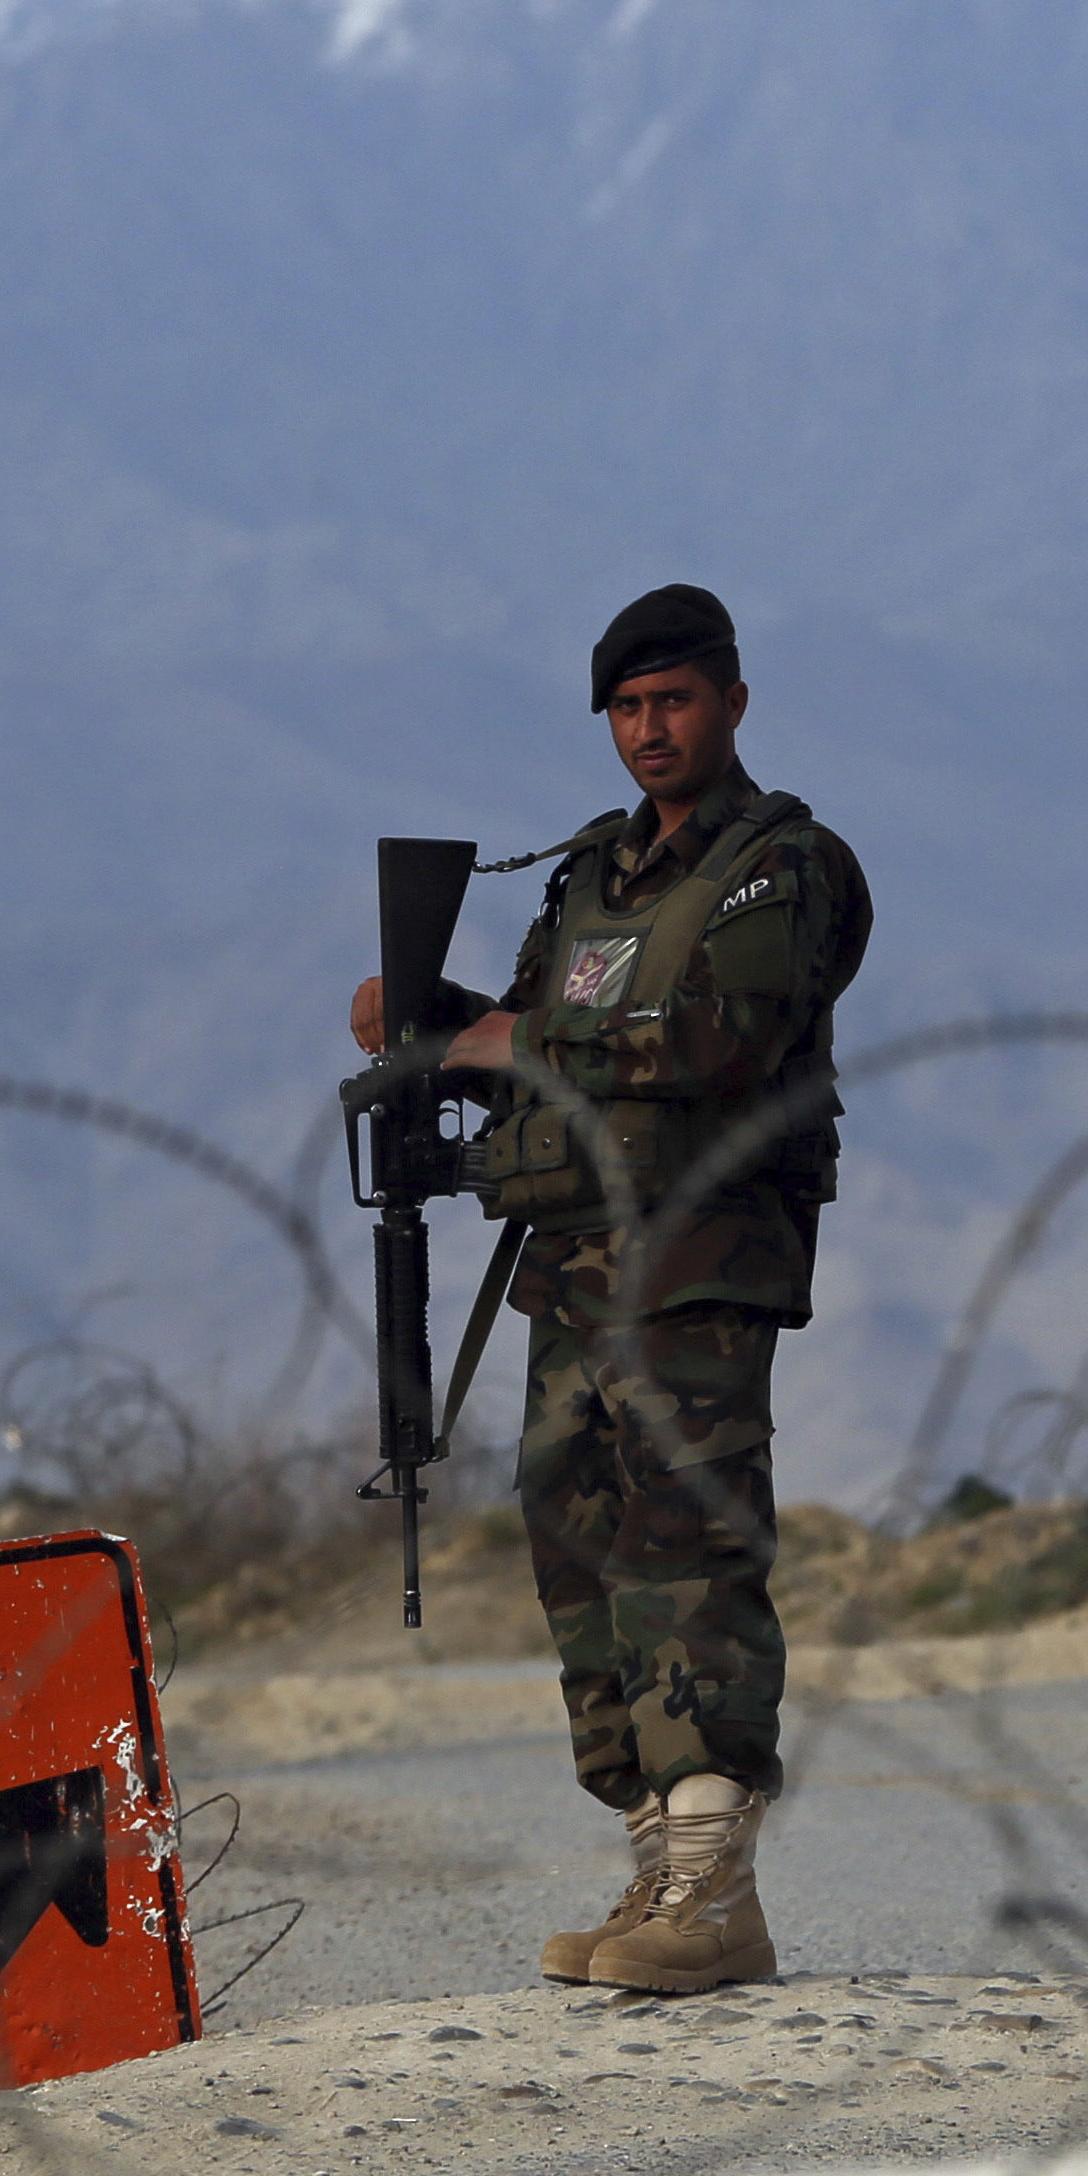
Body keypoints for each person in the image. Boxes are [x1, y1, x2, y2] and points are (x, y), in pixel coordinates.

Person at [345, 582, 871, 1997]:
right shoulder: (590, 876)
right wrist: (433, 1018)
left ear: (733, 703)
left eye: (676, 701)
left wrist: (519, 1033)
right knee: (577, 1545)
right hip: (573, 1262)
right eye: (627, 710)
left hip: (699, 1259)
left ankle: (713, 1883)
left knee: (687, 1543)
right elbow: (534, 1030)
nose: (649, 730)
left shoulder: (787, 865)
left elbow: (717, 1036)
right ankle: (658, 1853)